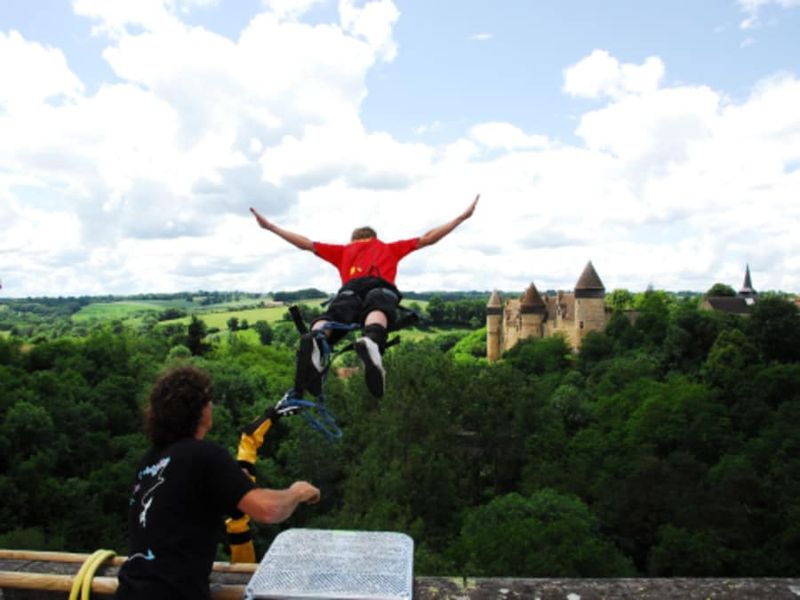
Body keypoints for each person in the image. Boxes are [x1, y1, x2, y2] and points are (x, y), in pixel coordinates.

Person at [115, 365, 320, 600]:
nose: (212, 406)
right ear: (199, 410)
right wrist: (297, 492)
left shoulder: (151, 461)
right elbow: (268, 510)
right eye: (208, 400)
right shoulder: (204, 455)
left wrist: (234, 480)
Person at [250, 194, 479, 398]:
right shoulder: (388, 248)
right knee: (377, 309)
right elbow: (429, 238)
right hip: (380, 286)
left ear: (353, 239)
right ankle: (371, 340)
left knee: (334, 314)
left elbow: (306, 244)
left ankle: (317, 337)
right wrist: (461, 218)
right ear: (374, 237)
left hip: (349, 290)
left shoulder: (343, 251)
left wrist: (270, 226)